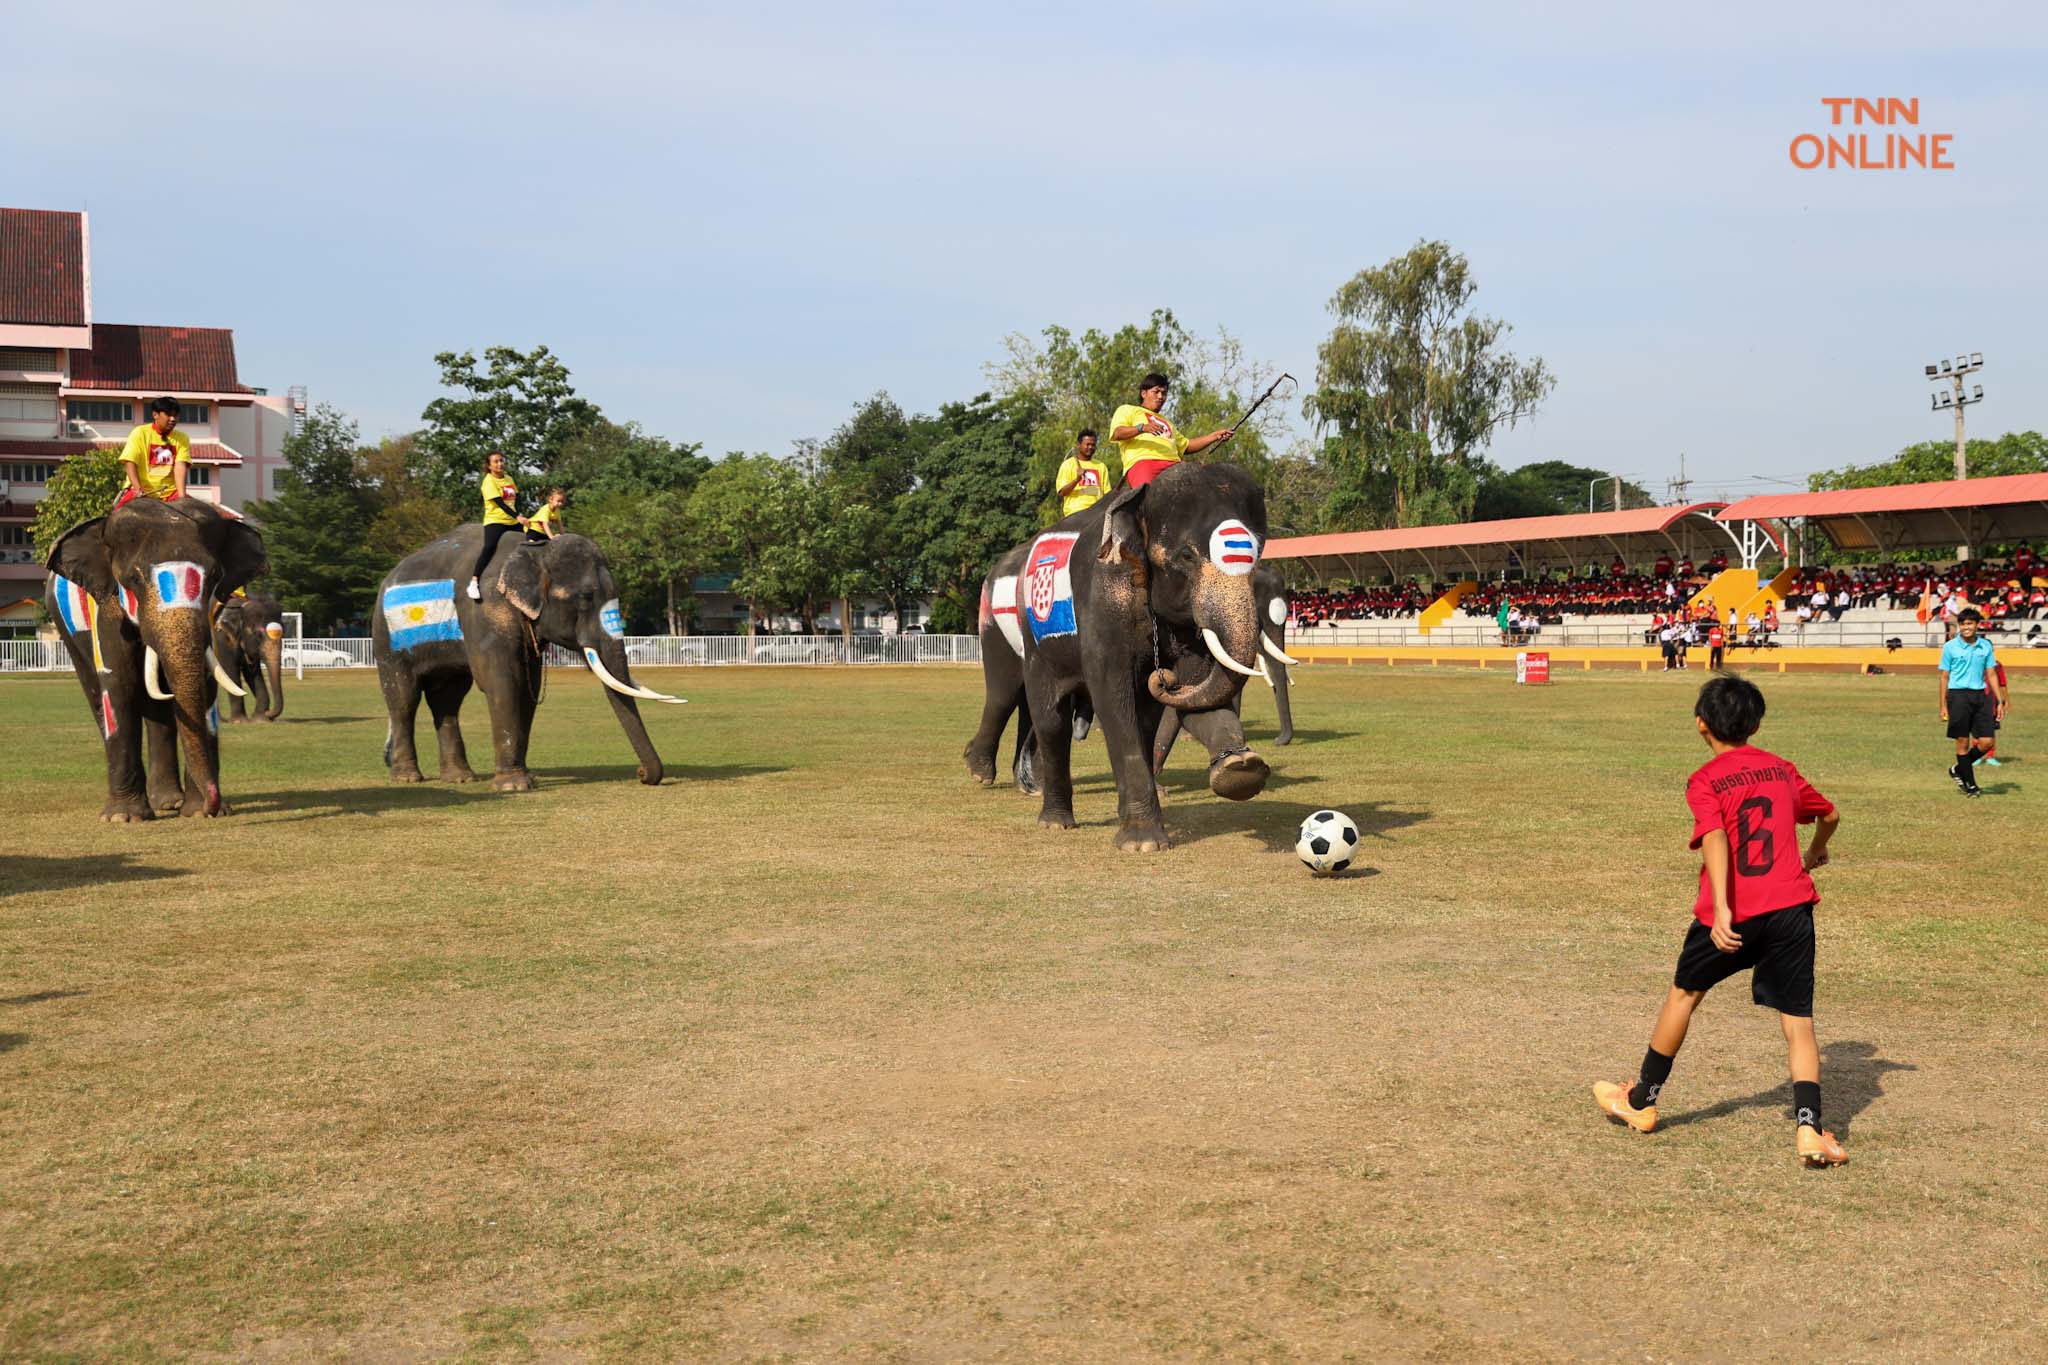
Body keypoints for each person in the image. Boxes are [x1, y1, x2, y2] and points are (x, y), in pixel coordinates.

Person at [1592, 674, 1847, 1167]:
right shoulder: (1780, 769)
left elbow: (1714, 837)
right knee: (1798, 1021)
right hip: (1791, 908)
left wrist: (1725, 909)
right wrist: (1815, 851)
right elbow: (1830, 814)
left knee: (1684, 995)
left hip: (1734, 914)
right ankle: (1810, 1129)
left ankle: (1641, 1102)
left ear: (1701, 725)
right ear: (1755, 723)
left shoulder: (1706, 779)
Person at [1106, 373, 1233, 487]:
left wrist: (1214, 436)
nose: (1161, 397)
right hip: (1144, 463)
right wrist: (1142, 428)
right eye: (1156, 392)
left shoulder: (1168, 422)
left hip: (1174, 465)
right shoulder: (1128, 410)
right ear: (1144, 393)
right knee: (1146, 501)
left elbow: (1186, 446)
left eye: (1164, 393)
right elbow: (1117, 433)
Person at [1940, 609, 2006, 797]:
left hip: (1981, 696)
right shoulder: (1950, 647)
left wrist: (1999, 700)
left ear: (1977, 625)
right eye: (1963, 624)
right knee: (1962, 741)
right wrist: (1943, 705)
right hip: (1958, 696)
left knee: (1987, 742)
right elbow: (1944, 677)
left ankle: (1959, 768)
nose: (1966, 627)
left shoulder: (1985, 646)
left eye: (1970, 623)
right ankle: (1971, 785)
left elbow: (1992, 673)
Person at [466, 451, 526, 600]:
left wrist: (519, 515)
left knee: (531, 541)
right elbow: (500, 503)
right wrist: (517, 516)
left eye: (501, 461)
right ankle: (474, 581)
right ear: (489, 465)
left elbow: (514, 501)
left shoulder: (509, 478)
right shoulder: (488, 481)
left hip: (512, 520)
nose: (500, 464)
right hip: (496, 520)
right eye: (496, 462)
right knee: (489, 547)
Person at [116, 398, 191, 506]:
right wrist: (138, 490)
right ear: (155, 415)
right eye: (169, 415)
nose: (173, 419)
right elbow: (130, 462)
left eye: (175, 415)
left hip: (170, 494)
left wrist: (182, 497)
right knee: (115, 518)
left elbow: (180, 466)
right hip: (140, 491)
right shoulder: (140, 433)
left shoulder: (182, 438)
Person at [1053, 430, 1111, 517]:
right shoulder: (1068, 464)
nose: (1090, 447)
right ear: (1079, 445)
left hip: (1097, 514)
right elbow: (1062, 492)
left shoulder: (1101, 466)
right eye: (1087, 444)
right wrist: (1077, 480)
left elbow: (1107, 495)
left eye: (1093, 445)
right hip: (1075, 513)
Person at [1980, 660, 2010, 766]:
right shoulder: (1974, 659)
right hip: (1976, 699)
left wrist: (2006, 700)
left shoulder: (1997, 665)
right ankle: (1976, 756)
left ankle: (1990, 756)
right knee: (1975, 731)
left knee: (1990, 729)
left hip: (1991, 701)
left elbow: (2002, 683)